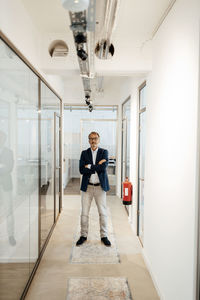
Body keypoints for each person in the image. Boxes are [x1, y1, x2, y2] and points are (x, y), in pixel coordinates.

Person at [76, 131, 111, 247]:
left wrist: (89, 166)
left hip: (100, 188)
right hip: (87, 187)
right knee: (84, 213)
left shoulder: (104, 152)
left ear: (99, 140)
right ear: (88, 140)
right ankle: (83, 235)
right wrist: (96, 166)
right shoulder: (84, 153)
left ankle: (104, 235)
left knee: (103, 212)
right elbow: (81, 170)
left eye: (95, 138)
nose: (93, 141)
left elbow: (103, 167)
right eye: (91, 138)